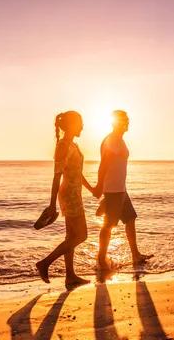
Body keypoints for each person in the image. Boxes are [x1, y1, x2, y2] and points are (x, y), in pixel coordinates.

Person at [35, 111, 94, 288]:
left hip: (75, 194)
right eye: (80, 123)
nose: (83, 126)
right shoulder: (62, 146)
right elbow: (56, 176)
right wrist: (52, 204)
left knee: (71, 236)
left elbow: (77, 173)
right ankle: (45, 263)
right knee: (82, 235)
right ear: (70, 125)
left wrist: (92, 189)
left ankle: (70, 276)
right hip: (69, 195)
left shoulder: (73, 145)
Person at [93, 110, 152, 270]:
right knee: (109, 225)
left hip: (120, 189)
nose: (127, 123)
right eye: (124, 120)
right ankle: (101, 261)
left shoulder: (118, 139)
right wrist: (100, 186)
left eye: (127, 120)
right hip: (113, 189)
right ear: (117, 122)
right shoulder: (113, 140)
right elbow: (104, 164)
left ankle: (136, 255)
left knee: (130, 218)